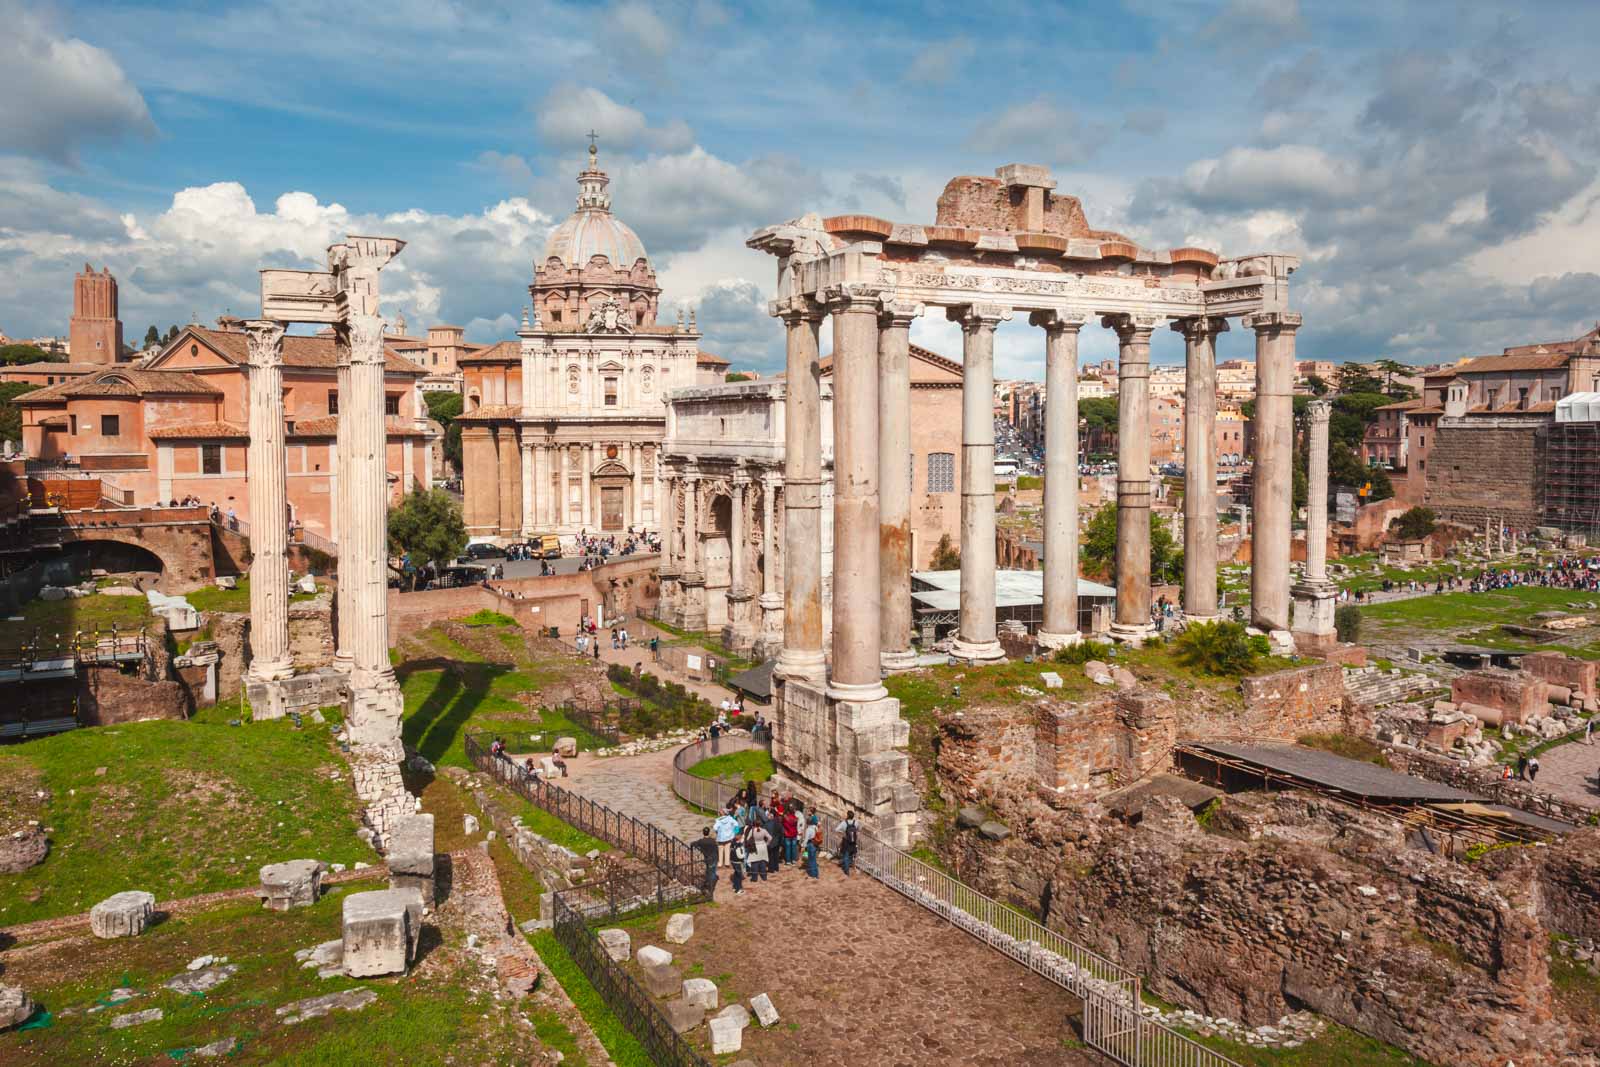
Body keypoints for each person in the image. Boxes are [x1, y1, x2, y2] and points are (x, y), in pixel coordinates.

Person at [692, 826, 718, 898]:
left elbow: (692, 844)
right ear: (709, 832)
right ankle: (711, 888)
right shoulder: (712, 841)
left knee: (709, 871)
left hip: (707, 859)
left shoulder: (701, 841)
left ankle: (709, 886)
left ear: (703, 833)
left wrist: (700, 849)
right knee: (712, 873)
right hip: (714, 858)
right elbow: (716, 849)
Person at [835, 810, 859, 876]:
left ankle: (847, 871)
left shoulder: (844, 823)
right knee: (852, 855)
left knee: (846, 855)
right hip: (853, 841)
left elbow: (836, 829)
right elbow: (857, 830)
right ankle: (852, 866)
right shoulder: (856, 822)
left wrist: (843, 833)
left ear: (847, 815)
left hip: (846, 841)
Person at [802, 813, 820, 878]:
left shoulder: (808, 829)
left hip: (810, 844)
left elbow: (806, 839)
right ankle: (816, 873)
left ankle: (812, 874)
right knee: (814, 859)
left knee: (811, 860)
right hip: (815, 844)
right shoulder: (815, 827)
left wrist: (803, 846)